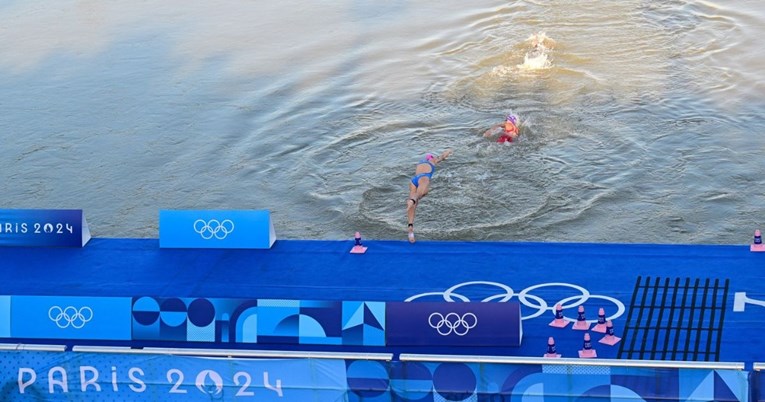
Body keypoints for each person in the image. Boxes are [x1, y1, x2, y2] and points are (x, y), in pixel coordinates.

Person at [406, 149, 453, 243]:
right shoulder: (433, 160)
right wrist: (449, 151)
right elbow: (443, 156)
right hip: (424, 178)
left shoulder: (420, 163)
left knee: (413, 205)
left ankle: (410, 228)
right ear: (431, 158)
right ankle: (412, 200)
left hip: (414, 180)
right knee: (419, 195)